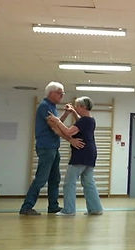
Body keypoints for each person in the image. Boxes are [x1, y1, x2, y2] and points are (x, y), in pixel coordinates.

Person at [20, 82, 84, 216]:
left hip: (53, 147)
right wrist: (70, 140)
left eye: (63, 93)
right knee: (41, 178)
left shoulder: (52, 106)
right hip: (46, 147)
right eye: (60, 93)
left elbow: (57, 123)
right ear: (51, 93)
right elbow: (54, 128)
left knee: (55, 178)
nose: (62, 95)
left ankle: (53, 206)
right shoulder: (45, 106)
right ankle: (26, 207)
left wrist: (66, 114)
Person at [58, 96, 103, 216]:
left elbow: (68, 132)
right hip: (90, 153)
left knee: (69, 183)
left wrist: (57, 121)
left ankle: (69, 210)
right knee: (88, 183)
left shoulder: (84, 121)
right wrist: (73, 112)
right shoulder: (90, 119)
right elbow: (80, 122)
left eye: (77, 106)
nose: (75, 108)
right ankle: (95, 208)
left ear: (83, 107)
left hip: (81, 154)